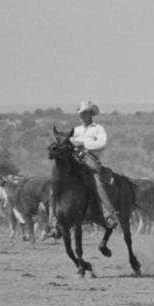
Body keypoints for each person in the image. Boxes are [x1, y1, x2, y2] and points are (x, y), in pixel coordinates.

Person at [47, 101, 120, 236]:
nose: (83, 115)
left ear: (91, 114)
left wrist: (83, 143)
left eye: (86, 113)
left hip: (91, 160)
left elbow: (102, 143)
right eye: (81, 113)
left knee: (97, 182)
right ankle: (54, 223)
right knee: (55, 187)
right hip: (75, 161)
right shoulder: (75, 130)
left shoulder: (98, 128)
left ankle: (108, 215)